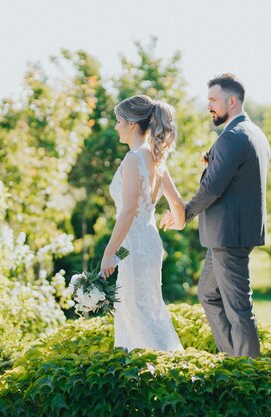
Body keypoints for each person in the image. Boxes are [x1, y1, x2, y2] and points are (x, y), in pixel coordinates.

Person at [161, 73, 271, 358]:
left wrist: (183, 213)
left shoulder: (233, 137)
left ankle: (251, 374)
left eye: (213, 100)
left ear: (232, 101)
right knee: (208, 294)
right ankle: (232, 358)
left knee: (238, 308)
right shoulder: (253, 133)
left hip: (229, 236)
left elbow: (211, 188)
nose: (208, 106)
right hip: (228, 234)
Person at [100, 94, 184, 352]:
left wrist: (108, 254)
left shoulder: (133, 159)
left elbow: (127, 213)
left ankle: (154, 366)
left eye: (118, 121)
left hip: (132, 244)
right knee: (145, 306)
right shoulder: (157, 159)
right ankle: (162, 361)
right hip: (146, 243)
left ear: (132, 124)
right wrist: (178, 222)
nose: (116, 127)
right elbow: (179, 206)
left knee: (136, 308)